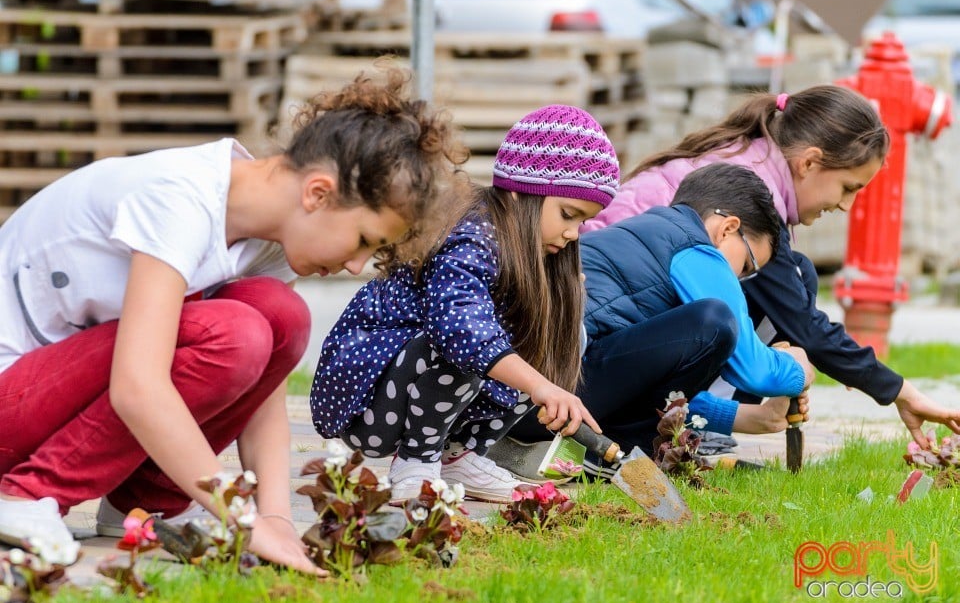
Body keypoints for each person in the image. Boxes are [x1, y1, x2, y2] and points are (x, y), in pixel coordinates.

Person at [0, 66, 466, 571]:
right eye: (362, 241)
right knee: (233, 334)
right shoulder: (182, 198)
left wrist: (275, 521)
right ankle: (28, 496)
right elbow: (138, 386)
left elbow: (260, 396)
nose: (356, 267)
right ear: (317, 193)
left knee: (281, 316)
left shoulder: (272, 241)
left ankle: (138, 502)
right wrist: (236, 514)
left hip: (48, 403)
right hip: (12, 399)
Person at [579, 84, 960, 448]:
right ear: (809, 162)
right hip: (590, 344)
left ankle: (707, 423)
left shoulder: (747, 163)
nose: (846, 206)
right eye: (848, 187)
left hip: (603, 344)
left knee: (796, 276)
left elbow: (797, 314)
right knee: (720, 318)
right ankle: (689, 429)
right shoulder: (743, 202)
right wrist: (801, 367)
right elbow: (802, 331)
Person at [310, 104, 619, 503]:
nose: (574, 233)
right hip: (364, 393)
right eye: (568, 214)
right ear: (519, 190)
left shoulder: (527, 250)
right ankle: (416, 462)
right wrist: (541, 387)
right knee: (461, 343)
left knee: (554, 330)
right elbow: (459, 328)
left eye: (583, 222)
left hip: (412, 388)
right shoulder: (473, 234)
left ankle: (458, 456)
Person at [502, 163, 814, 473]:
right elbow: (755, 370)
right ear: (727, 228)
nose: (739, 279)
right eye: (746, 265)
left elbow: (637, 385)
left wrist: (750, 418)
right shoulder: (692, 246)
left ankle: (613, 455)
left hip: (521, 402)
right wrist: (800, 367)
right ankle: (620, 456)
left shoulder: (647, 235)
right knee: (715, 321)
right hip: (549, 400)